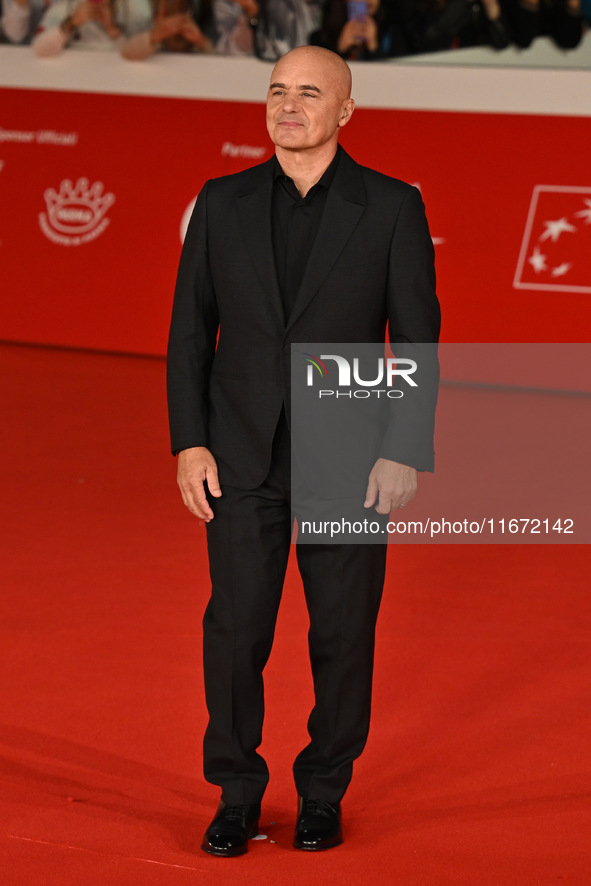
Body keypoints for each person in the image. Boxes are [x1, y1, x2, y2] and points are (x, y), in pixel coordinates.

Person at [166, 45, 440, 857]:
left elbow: (416, 340)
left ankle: (323, 790)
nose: (288, 105)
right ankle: (236, 793)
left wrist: (402, 451)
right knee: (236, 629)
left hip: (349, 461)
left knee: (342, 633)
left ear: (344, 112)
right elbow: (188, 335)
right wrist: (189, 443)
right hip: (239, 454)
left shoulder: (391, 207)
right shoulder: (220, 202)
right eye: (277, 90)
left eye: (309, 92)